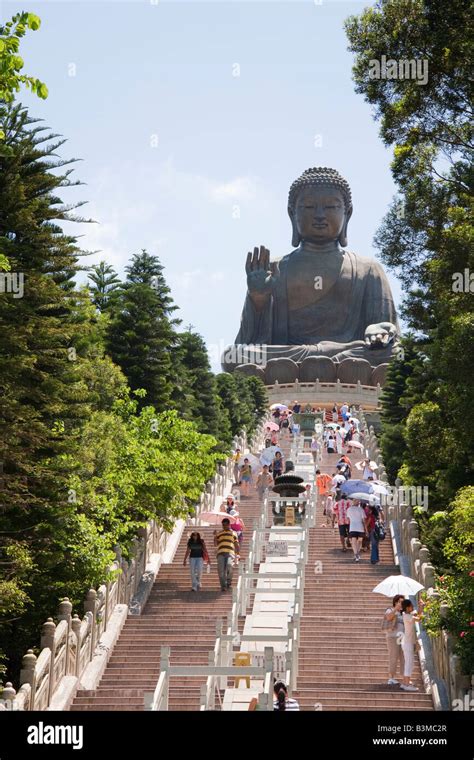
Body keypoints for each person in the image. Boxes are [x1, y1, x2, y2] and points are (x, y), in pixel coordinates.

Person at [382, 595, 405, 685]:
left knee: (403, 658)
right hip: (392, 637)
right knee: (393, 656)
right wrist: (395, 609)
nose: (401, 603)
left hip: (402, 637)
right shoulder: (390, 610)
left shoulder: (403, 613)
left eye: (402, 602)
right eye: (399, 601)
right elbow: (388, 618)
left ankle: (405, 678)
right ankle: (391, 678)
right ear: (395, 602)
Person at [213, 518, 240, 592]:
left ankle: (229, 581)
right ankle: (223, 586)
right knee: (220, 570)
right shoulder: (219, 533)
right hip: (220, 553)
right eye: (223, 525)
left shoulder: (233, 533)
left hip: (230, 552)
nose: (224, 526)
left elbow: (236, 544)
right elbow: (216, 544)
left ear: (229, 524)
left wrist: (238, 554)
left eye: (225, 525)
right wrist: (215, 536)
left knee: (229, 565)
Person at [401, 600, 421, 691]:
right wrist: (422, 607)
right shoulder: (407, 616)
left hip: (407, 642)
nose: (413, 607)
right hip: (408, 643)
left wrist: (421, 607)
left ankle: (406, 682)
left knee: (408, 663)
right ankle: (406, 684)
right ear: (407, 607)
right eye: (411, 606)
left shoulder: (407, 615)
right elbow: (419, 618)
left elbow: (416, 615)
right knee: (409, 664)